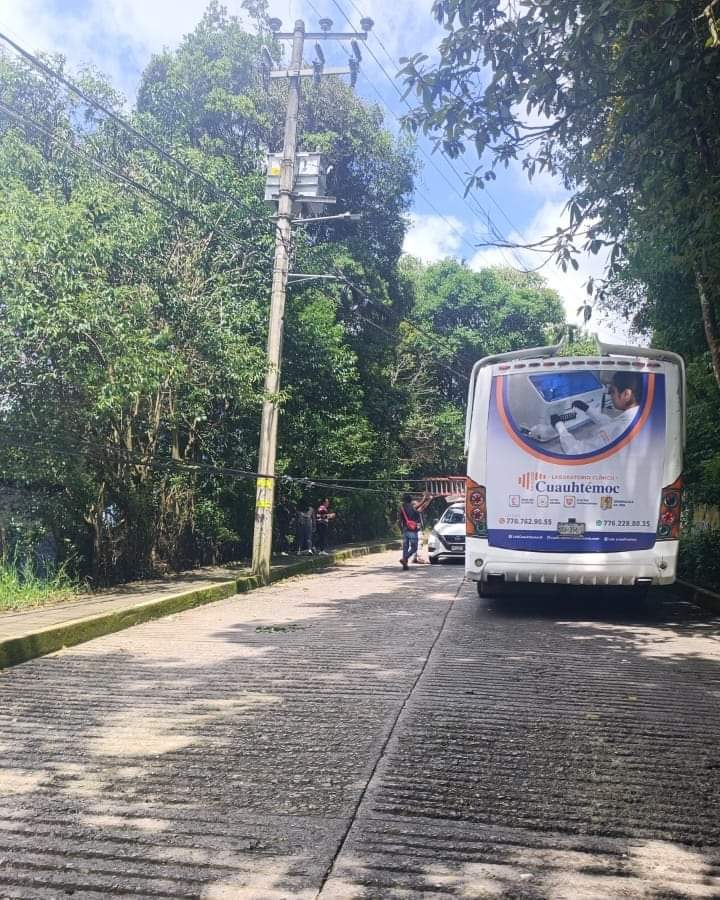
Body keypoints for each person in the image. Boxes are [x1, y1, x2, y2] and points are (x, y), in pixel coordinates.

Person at [548, 372, 643, 455]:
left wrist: (560, 427)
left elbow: (577, 451)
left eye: (612, 391)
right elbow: (611, 423)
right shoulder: (637, 417)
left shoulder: (619, 429)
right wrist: (587, 409)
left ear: (626, 394)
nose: (610, 395)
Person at [399, 493, 424, 570]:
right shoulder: (413, 507)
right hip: (413, 530)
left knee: (405, 547)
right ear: (410, 500)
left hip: (405, 529)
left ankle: (405, 564)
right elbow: (421, 506)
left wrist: (401, 529)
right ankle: (405, 558)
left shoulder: (402, 508)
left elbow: (400, 520)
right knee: (414, 548)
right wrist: (425, 499)